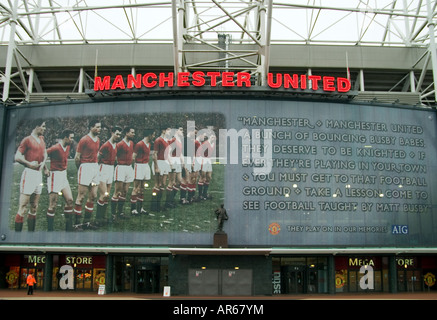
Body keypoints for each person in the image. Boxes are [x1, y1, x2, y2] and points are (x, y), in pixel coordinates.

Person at [14, 119, 48, 232]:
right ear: (37, 126)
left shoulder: (42, 139)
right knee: (22, 208)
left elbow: (44, 153)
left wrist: (45, 167)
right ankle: (17, 238)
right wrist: (29, 164)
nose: (44, 128)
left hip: (38, 175)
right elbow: (17, 156)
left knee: (34, 207)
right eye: (43, 126)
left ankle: (30, 235)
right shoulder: (27, 140)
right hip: (29, 174)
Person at [73, 119, 101, 228]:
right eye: (97, 127)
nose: (99, 129)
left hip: (95, 168)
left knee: (93, 195)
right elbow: (77, 157)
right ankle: (77, 224)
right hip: (85, 168)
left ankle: (87, 222)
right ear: (91, 127)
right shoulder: (84, 139)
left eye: (100, 127)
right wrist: (80, 169)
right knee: (81, 196)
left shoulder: (98, 139)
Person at [45, 129, 75, 231]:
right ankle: (50, 230)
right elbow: (43, 154)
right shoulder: (55, 148)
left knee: (70, 200)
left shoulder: (68, 147)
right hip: (55, 176)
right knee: (53, 204)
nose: (72, 140)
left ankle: (68, 228)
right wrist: (45, 168)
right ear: (65, 137)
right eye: (71, 138)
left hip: (63, 176)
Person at [97, 126, 122, 226]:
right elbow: (97, 158)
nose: (118, 136)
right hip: (103, 168)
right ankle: (98, 218)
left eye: (120, 134)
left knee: (107, 196)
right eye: (117, 134)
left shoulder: (115, 145)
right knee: (103, 195)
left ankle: (103, 217)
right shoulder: (106, 145)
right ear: (112, 133)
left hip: (111, 169)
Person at [113, 126, 135, 219]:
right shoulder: (120, 144)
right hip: (121, 168)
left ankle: (120, 212)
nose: (134, 134)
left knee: (125, 192)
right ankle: (113, 214)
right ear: (126, 133)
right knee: (117, 192)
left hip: (129, 168)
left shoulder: (131, 143)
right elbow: (114, 156)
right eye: (132, 132)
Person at [131, 129, 155, 215]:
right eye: (153, 135)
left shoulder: (149, 144)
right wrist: (134, 168)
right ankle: (133, 209)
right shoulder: (139, 144)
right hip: (139, 166)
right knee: (136, 188)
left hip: (145, 166)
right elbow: (133, 157)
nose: (154, 136)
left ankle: (140, 208)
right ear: (149, 135)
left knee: (142, 189)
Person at [151, 126, 172, 211]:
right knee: (157, 185)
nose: (170, 132)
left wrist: (170, 163)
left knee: (163, 184)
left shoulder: (167, 141)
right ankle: (153, 205)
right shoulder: (158, 140)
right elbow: (154, 154)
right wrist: (156, 167)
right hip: (159, 162)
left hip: (165, 163)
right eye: (168, 130)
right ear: (163, 130)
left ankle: (159, 204)